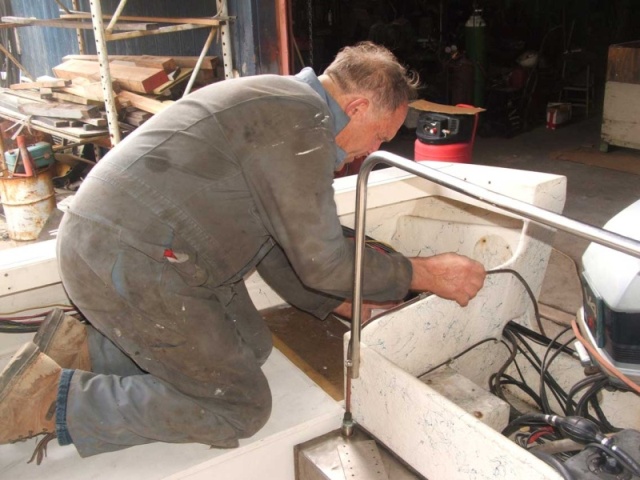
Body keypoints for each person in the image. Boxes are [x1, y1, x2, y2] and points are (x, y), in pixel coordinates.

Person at [0, 41, 485, 459]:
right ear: (356, 107)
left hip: (147, 250)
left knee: (253, 345)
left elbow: (278, 246)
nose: (370, 148)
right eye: (380, 134)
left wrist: (331, 298)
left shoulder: (284, 105)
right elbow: (321, 260)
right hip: (129, 258)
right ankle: (48, 400)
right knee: (239, 406)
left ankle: (79, 349)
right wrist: (425, 274)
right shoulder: (301, 123)